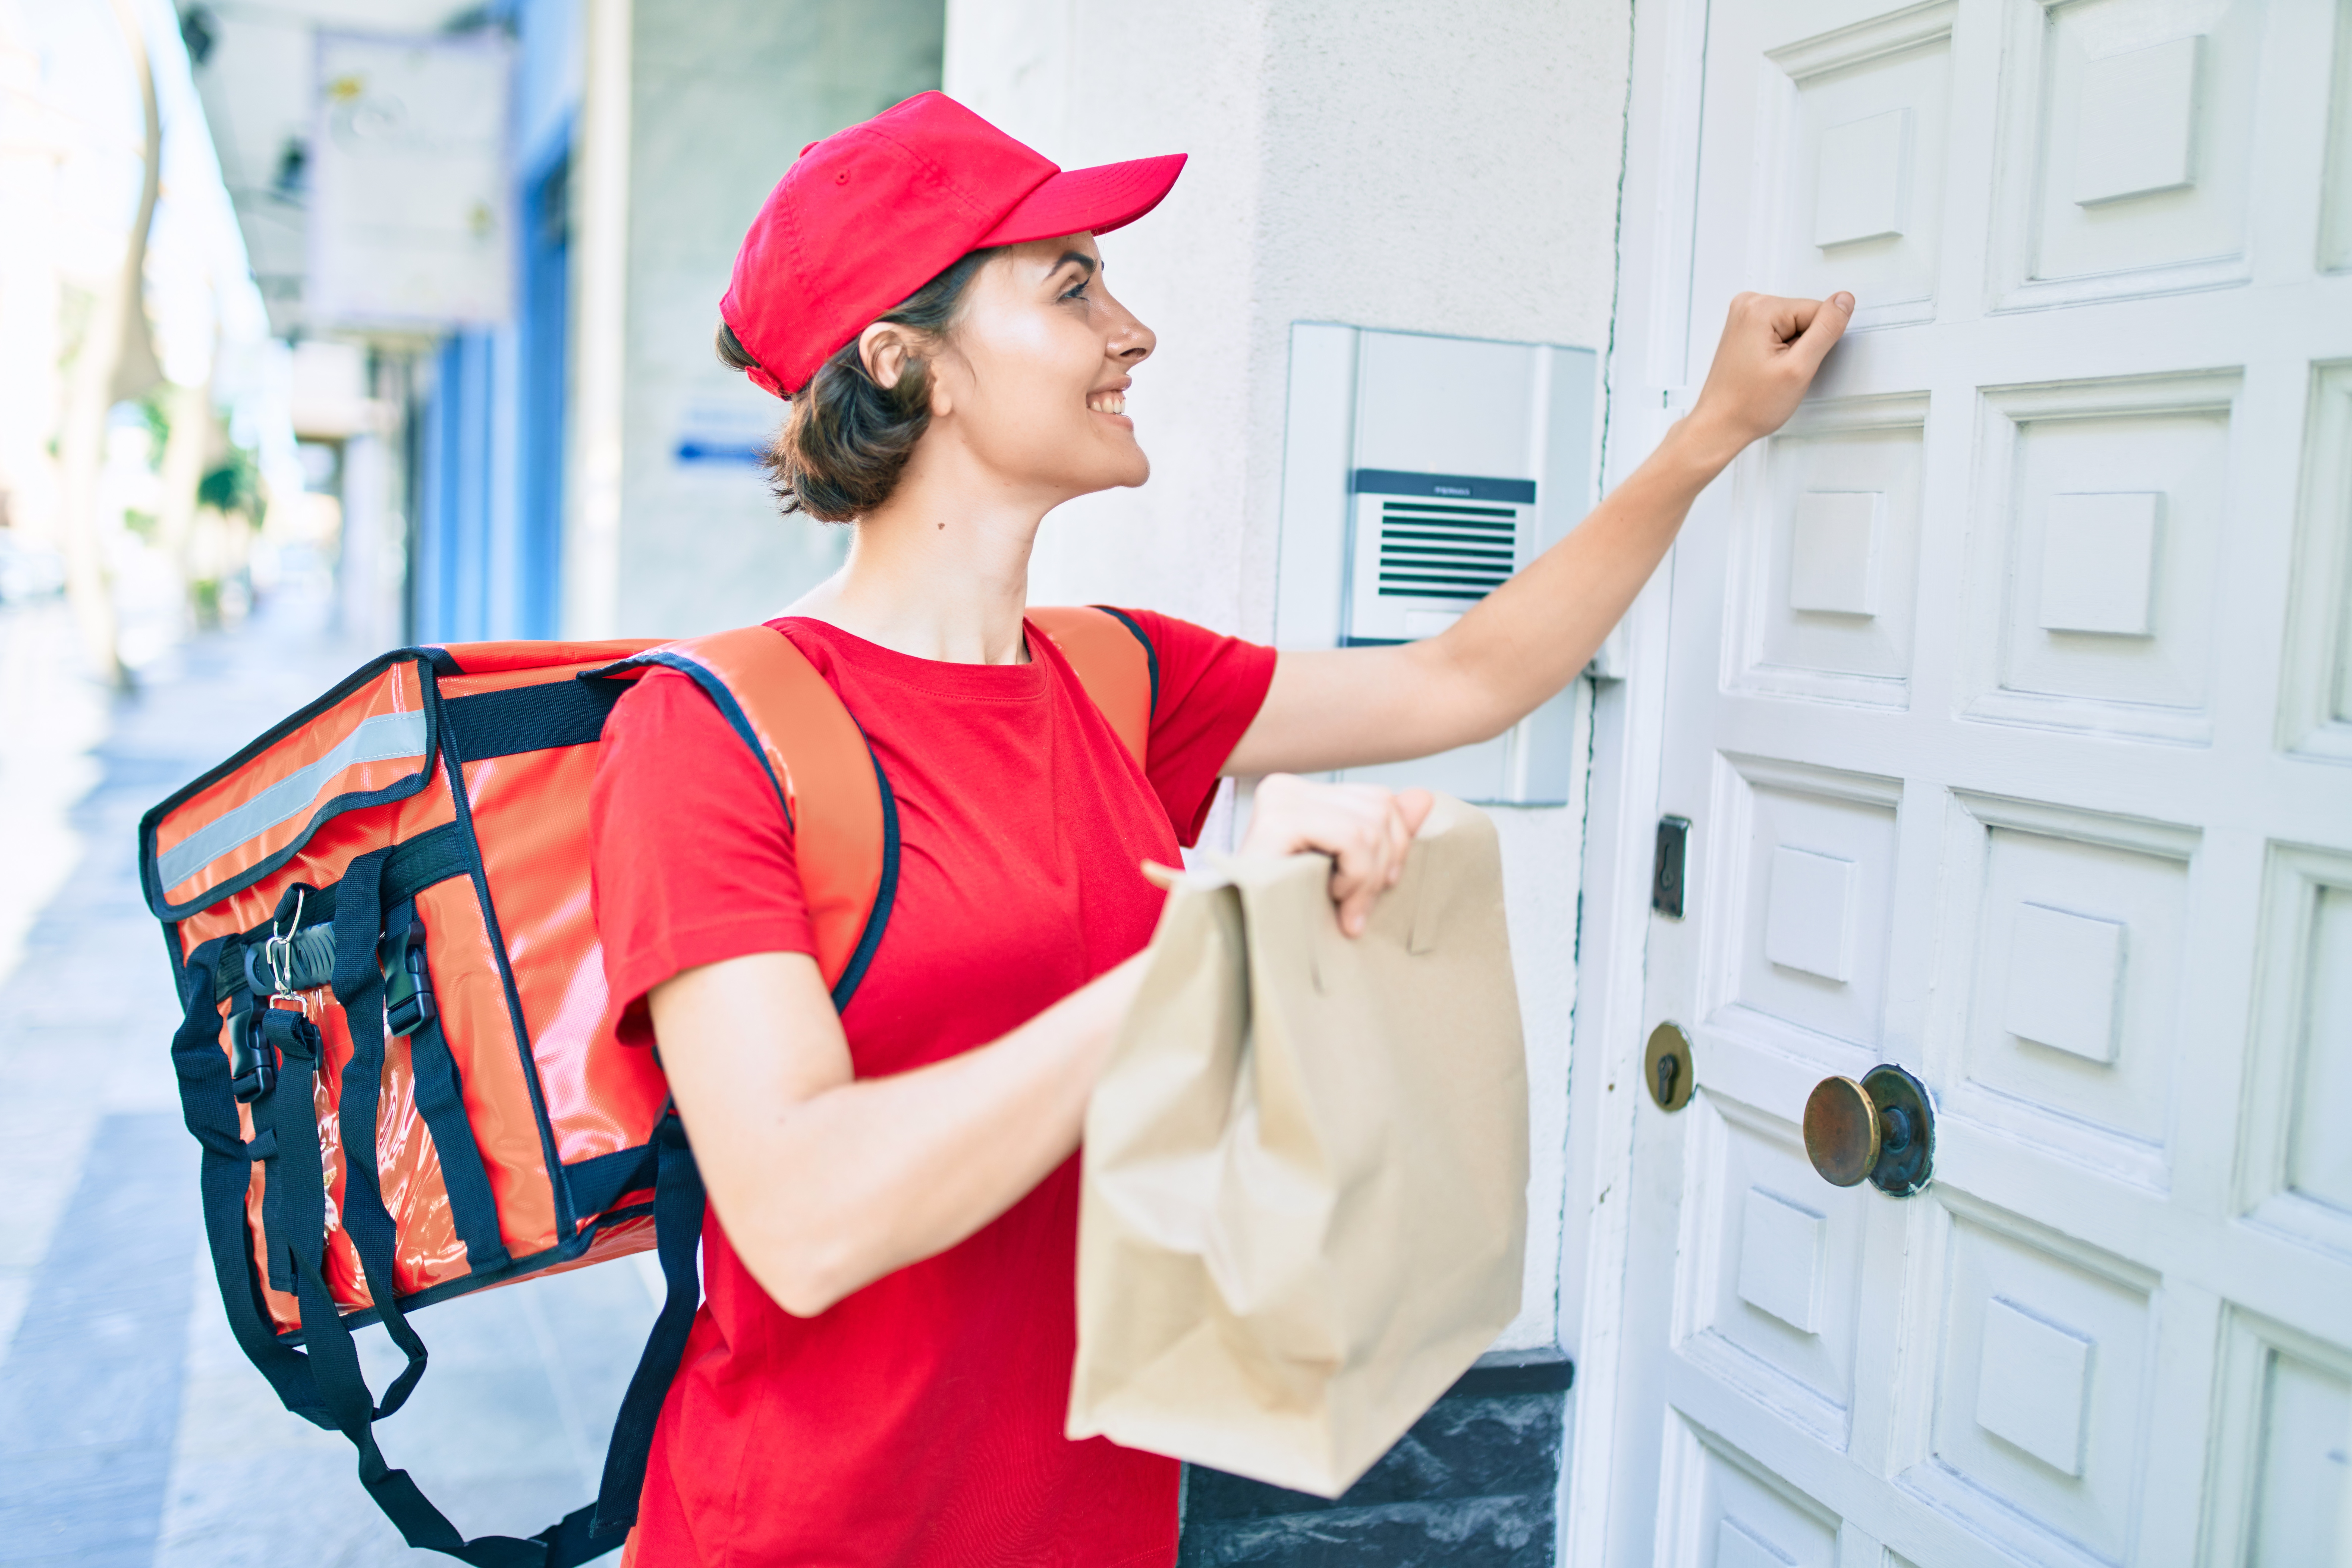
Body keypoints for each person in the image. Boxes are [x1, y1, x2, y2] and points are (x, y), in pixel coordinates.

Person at [588, 90, 1851, 1568]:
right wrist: (1208, 949)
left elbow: (1472, 674)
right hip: (811, 1530)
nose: (1133, 331)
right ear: (901, 360)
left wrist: (1707, 434)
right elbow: (802, 1216)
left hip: (1093, 1517)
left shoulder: (1115, 677)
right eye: (1070, 288)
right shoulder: (713, 729)